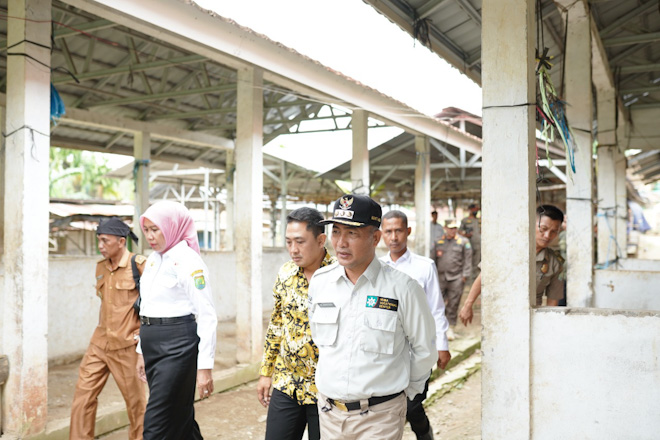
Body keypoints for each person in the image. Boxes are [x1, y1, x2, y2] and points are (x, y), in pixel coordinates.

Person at [308, 194, 437, 440]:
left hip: (380, 416)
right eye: (336, 232)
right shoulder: (321, 283)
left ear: (375, 238)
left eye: (352, 234)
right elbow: (319, 340)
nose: (341, 243)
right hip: (329, 414)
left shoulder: (403, 288)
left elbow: (424, 349)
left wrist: (404, 394)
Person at [135, 201, 217, 440]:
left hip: (177, 346)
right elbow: (147, 307)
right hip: (152, 343)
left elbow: (207, 315)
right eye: (146, 229)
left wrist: (204, 367)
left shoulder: (188, 261)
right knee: (180, 417)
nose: (150, 236)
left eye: (155, 229)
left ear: (172, 227)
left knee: (156, 423)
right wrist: (141, 350)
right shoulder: (153, 259)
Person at [257, 207, 336, 440]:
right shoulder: (285, 274)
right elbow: (277, 324)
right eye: (288, 242)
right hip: (287, 382)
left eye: (300, 242)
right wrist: (265, 372)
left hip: (327, 388)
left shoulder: (338, 277)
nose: (293, 249)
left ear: (321, 240)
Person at [70, 218, 146, 440]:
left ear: (121, 242)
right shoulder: (101, 267)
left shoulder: (139, 265)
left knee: (136, 405)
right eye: (99, 241)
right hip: (100, 344)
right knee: (83, 396)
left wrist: (143, 337)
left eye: (105, 241)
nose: (100, 246)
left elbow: (156, 304)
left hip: (127, 346)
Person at [380, 210, 451, 440]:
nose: (393, 237)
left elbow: (436, 309)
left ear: (408, 231)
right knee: (388, 407)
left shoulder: (424, 266)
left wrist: (442, 344)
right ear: (381, 234)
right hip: (386, 352)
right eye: (388, 231)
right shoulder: (375, 268)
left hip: (417, 350)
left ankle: (424, 433)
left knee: (411, 406)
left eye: (398, 230)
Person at [459, 205, 565, 326]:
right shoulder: (508, 248)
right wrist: (468, 304)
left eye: (553, 232)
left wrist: (547, 326)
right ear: (531, 225)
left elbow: (553, 301)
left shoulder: (554, 263)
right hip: (499, 314)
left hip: (530, 320)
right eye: (543, 229)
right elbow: (485, 276)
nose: (547, 236)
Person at [434, 219, 472, 340]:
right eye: (450, 228)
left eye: (455, 228)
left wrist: (464, 276)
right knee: (437, 303)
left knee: (453, 304)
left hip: (456, 278)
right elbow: (432, 260)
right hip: (440, 277)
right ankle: (438, 328)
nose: (453, 230)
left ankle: (450, 328)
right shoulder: (438, 241)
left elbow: (468, 260)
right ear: (445, 228)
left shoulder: (463, 242)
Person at [459, 204, 481, 278]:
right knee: (467, 262)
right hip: (468, 245)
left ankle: (475, 279)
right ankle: (467, 279)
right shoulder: (465, 220)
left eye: (477, 210)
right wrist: (466, 235)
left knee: (477, 263)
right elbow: (459, 232)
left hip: (478, 245)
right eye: (474, 209)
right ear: (470, 210)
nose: (476, 211)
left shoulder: (479, 220)